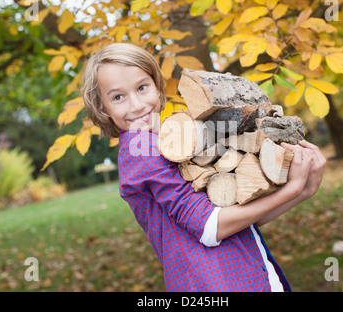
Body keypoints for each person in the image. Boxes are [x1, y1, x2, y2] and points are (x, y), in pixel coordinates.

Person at [81, 43, 326, 292]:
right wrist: (293, 188)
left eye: (142, 87)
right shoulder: (140, 146)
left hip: (249, 276)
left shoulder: (169, 137)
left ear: (157, 85)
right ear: (102, 107)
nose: (136, 105)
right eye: (118, 97)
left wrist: (303, 191)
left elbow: (238, 222)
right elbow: (210, 227)